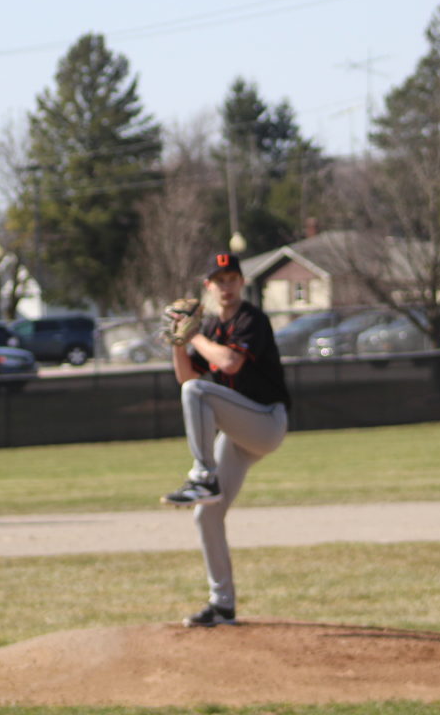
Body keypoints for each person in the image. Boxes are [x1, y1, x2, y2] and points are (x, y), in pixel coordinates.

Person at [161, 251, 290, 628]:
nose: (226, 286)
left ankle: (203, 476)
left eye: (232, 278)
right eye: (219, 280)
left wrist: (194, 334)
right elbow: (186, 378)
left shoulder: (253, 320)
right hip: (237, 435)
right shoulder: (213, 329)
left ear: (241, 282)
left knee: (199, 394)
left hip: (266, 423)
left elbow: (231, 364)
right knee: (207, 515)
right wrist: (177, 342)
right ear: (209, 287)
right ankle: (222, 606)